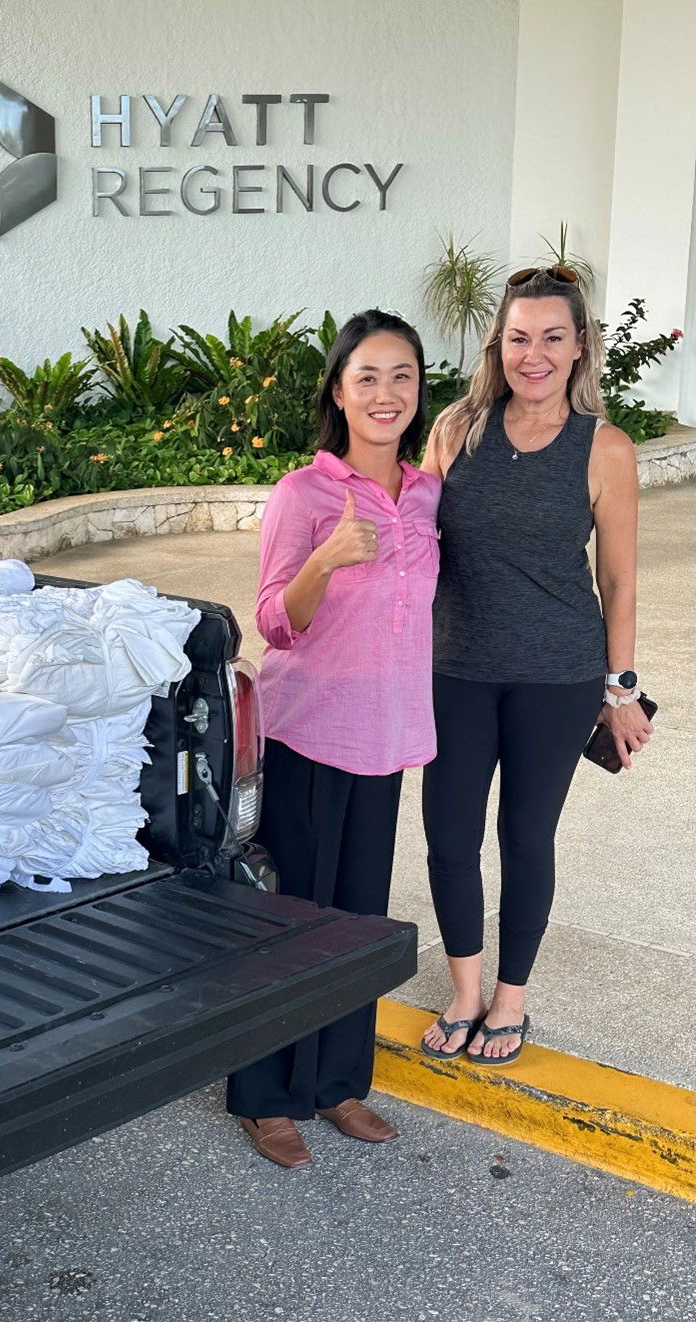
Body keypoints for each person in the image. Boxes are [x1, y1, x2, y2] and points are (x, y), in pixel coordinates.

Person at [419, 267, 653, 1066]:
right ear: (498, 344)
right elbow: (415, 550)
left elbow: (617, 580)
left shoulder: (604, 448)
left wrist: (619, 692)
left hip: (555, 676)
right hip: (454, 666)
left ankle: (510, 999)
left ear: (579, 345)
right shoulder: (455, 431)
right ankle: (463, 991)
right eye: (519, 336)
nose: (534, 353)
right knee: (448, 836)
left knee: (525, 837)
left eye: (552, 337)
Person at [228, 309, 440, 1168]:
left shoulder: (427, 494)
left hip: (386, 738)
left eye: (402, 377)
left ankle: (340, 1084)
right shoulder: (303, 494)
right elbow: (275, 623)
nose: (385, 394)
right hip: (310, 732)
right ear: (338, 393)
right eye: (367, 378)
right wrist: (323, 560)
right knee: (290, 924)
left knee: (356, 924)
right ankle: (265, 1095)